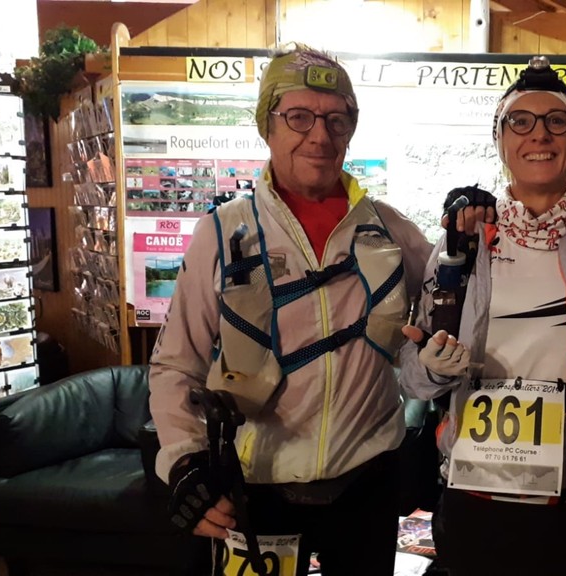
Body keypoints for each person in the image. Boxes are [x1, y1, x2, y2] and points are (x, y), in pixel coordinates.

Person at [149, 44, 438, 576]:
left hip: (367, 484)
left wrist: (474, 222)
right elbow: (175, 364)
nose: (320, 136)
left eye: (336, 119)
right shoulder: (221, 234)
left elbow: (456, 301)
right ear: (268, 125)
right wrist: (185, 461)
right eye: (299, 117)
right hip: (252, 488)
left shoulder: (392, 231)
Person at [400, 56, 566, 576]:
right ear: (500, 139)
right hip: (474, 497)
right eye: (520, 121)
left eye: (557, 121)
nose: (540, 134)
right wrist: (432, 366)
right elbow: (414, 376)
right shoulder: (464, 243)